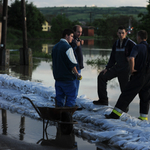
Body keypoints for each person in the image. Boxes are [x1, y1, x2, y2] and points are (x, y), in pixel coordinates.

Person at [106, 30, 150, 121]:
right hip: (148, 76)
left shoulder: (137, 47)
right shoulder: (149, 47)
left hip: (138, 75)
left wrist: (132, 69)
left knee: (127, 94)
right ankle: (143, 117)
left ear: (139, 37)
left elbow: (131, 58)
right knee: (145, 97)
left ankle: (115, 115)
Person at [93, 26, 136, 106]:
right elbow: (112, 58)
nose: (121, 35)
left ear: (126, 33)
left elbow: (138, 53)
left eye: (123, 33)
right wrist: (107, 68)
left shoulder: (130, 43)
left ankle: (124, 109)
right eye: (119, 33)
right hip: (117, 67)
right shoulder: (116, 43)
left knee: (124, 90)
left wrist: (133, 64)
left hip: (125, 70)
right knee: (101, 77)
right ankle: (103, 100)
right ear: (117, 33)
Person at [52, 29, 82, 107]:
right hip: (67, 78)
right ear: (66, 36)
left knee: (59, 98)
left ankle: (58, 115)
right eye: (71, 36)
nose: (72, 38)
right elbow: (72, 64)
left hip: (58, 78)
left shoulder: (55, 47)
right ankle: (67, 116)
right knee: (71, 97)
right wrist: (77, 74)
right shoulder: (68, 47)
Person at [70, 25, 84, 96]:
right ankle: (72, 102)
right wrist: (77, 45)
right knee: (74, 86)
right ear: (74, 32)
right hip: (75, 67)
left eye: (81, 32)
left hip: (78, 67)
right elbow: (70, 51)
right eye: (78, 32)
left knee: (76, 86)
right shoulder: (72, 41)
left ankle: (73, 100)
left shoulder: (77, 40)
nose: (80, 34)